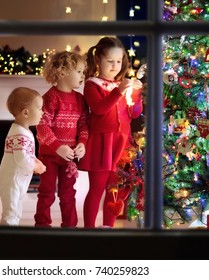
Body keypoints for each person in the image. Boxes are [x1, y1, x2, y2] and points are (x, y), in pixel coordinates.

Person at [78, 37, 143, 228]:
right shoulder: (92, 84)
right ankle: (89, 229)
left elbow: (134, 113)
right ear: (98, 60)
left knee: (115, 189)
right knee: (97, 189)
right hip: (102, 144)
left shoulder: (121, 84)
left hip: (122, 144)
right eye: (110, 61)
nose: (115, 66)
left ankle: (108, 228)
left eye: (119, 61)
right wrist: (119, 91)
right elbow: (99, 109)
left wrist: (137, 96)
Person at [34, 51, 89, 227]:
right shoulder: (50, 98)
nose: (83, 75)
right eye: (79, 71)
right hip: (49, 156)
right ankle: (42, 226)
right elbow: (41, 126)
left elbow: (84, 126)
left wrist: (82, 144)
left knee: (68, 194)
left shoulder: (80, 100)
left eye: (83, 71)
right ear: (63, 72)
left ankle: (70, 227)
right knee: (47, 192)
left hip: (70, 157)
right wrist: (57, 147)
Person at [0, 87, 46, 226]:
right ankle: (7, 240)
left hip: (16, 181)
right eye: (40, 108)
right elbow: (22, 159)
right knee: (11, 213)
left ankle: (11, 235)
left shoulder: (23, 131)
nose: (42, 112)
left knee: (16, 211)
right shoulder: (20, 134)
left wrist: (37, 161)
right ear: (26, 112)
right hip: (11, 181)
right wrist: (35, 166)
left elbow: (27, 154)